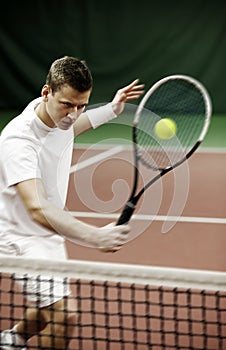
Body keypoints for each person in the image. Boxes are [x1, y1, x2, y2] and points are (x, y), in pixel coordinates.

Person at [0, 56, 144, 349]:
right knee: (65, 316)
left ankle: (12, 339)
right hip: (19, 236)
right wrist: (95, 236)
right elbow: (37, 208)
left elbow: (71, 128)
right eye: (68, 104)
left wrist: (112, 109)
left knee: (47, 308)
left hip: (48, 232)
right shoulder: (18, 140)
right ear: (46, 93)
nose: (74, 114)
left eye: (82, 105)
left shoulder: (58, 115)